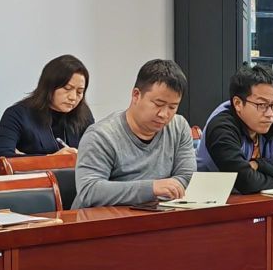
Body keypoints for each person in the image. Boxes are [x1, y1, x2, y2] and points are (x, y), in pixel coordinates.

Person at [72, 59, 195, 208]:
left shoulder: (179, 127)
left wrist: (170, 190)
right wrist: (151, 189)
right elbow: (89, 191)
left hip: (158, 214)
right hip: (102, 218)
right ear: (136, 95)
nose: (164, 114)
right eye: (158, 104)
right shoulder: (101, 136)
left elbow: (187, 176)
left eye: (172, 107)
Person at [196, 63, 273, 193]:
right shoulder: (221, 128)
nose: (270, 114)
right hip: (214, 203)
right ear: (238, 103)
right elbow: (245, 182)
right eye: (262, 105)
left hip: (260, 203)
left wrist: (260, 164)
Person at [0, 55, 93, 162]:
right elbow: (1, 158)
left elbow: (96, 153)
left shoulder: (84, 115)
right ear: (49, 86)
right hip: (36, 174)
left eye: (79, 92)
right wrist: (50, 159)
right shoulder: (17, 114)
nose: (73, 97)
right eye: (67, 88)